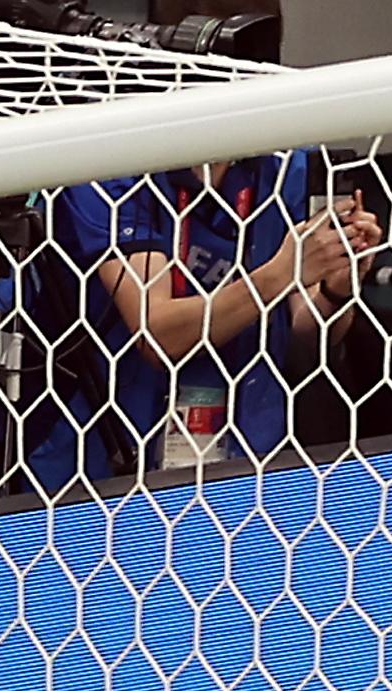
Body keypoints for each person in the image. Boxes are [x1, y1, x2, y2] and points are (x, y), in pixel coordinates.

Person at [47, 153, 373, 487]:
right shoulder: (110, 170)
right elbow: (156, 335)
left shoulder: (285, 166)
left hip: (248, 456)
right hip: (107, 460)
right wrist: (281, 274)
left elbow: (299, 338)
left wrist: (337, 290)